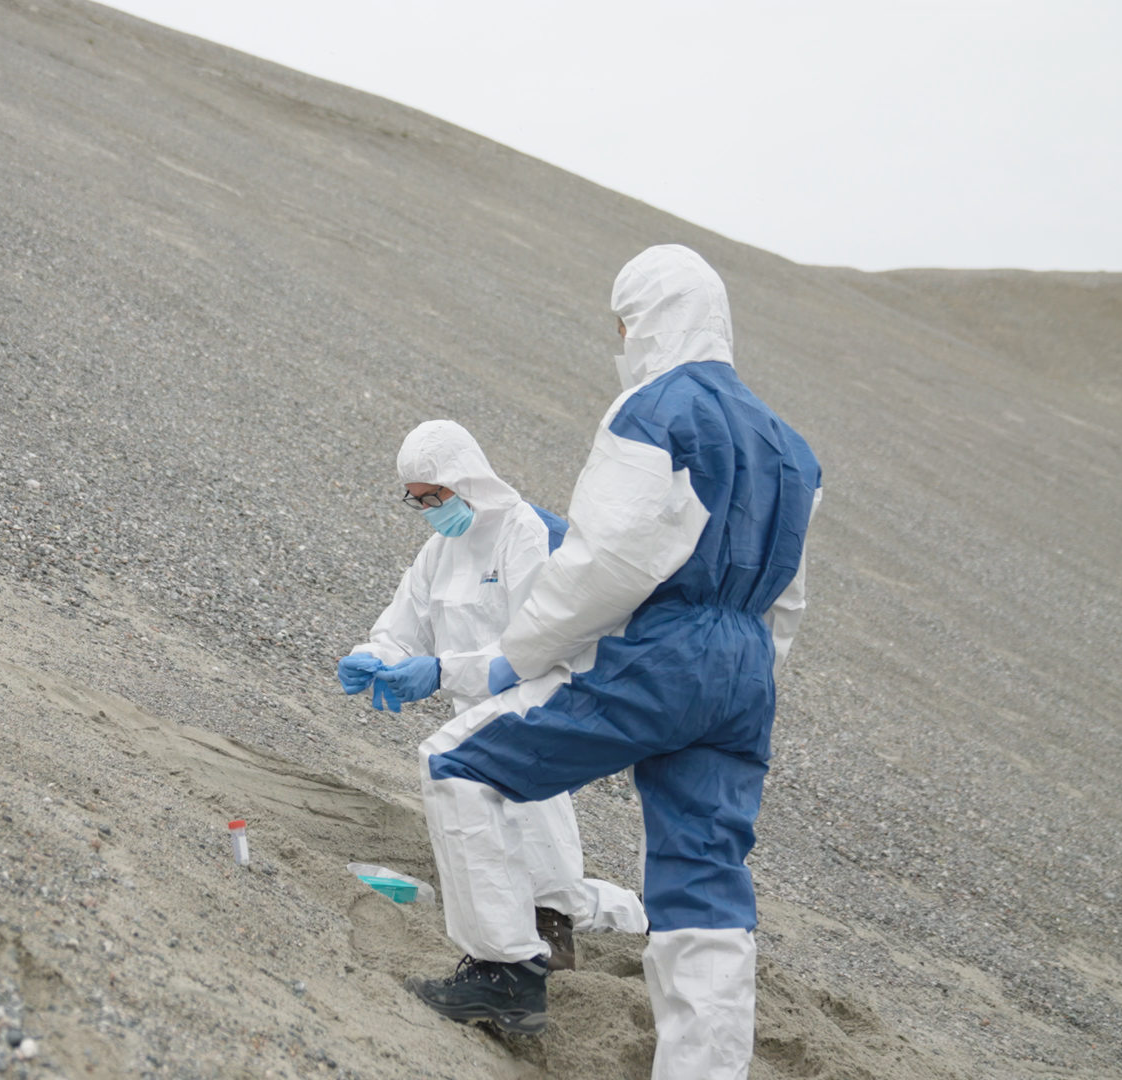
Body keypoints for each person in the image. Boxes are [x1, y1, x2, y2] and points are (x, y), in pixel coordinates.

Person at [404, 245, 822, 1078]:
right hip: (743, 672)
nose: (621, 340)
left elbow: (606, 563)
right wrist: (739, 677)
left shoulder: (655, 409)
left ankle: (504, 970)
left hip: (660, 648)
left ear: (646, 319)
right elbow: (790, 602)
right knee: (704, 882)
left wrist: (514, 660)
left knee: (455, 761)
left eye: (623, 323)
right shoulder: (791, 448)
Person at [337, 419, 646, 1015]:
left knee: (537, 831)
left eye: (436, 497)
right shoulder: (438, 552)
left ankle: (557, 930)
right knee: (496, 849)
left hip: (534, 704)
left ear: (466, 479)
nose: (428, 510)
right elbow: (401, 627)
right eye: (418, 500)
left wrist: (441, 669)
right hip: (471, 713)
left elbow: (529, 648)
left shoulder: (524, 533)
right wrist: (371, 658)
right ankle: (598, 919)